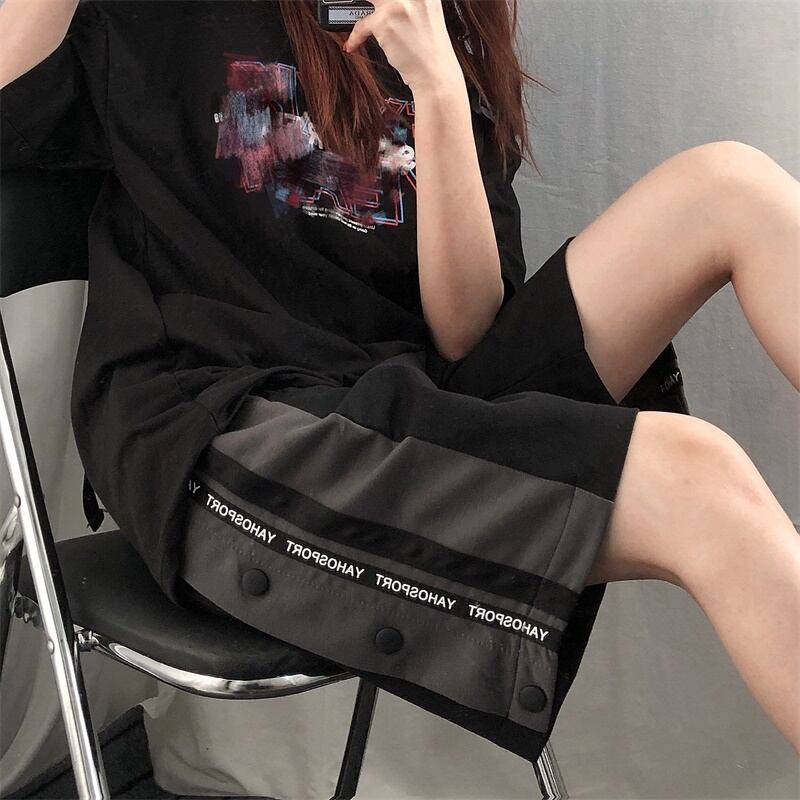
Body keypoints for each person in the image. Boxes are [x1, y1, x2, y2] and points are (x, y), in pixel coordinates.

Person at [1, 0, 798, 767]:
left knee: (730, 189)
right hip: (225, 426)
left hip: (403, 401)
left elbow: (466, 333)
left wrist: (440, 89)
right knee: (698, 484)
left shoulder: (436, 25)